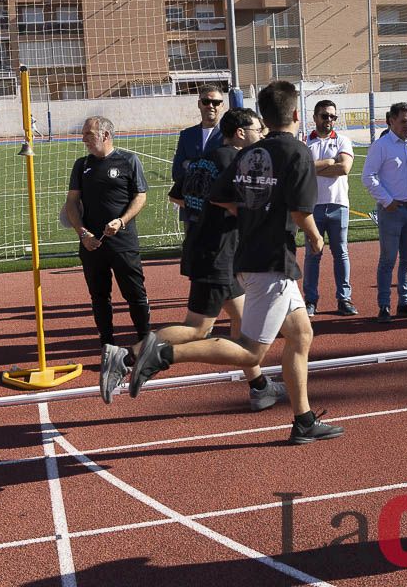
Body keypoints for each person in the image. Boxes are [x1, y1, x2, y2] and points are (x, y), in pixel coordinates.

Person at [129, 80, 344, 445]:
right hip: (271, 259)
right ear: (296, 114)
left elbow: (217, 196)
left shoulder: (248, 153)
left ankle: (303, 419)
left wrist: (250, 212)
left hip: (256, 257)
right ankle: (162, 355)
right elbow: (299, 211)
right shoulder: (298, 152)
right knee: (249, 348)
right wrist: (316, 236)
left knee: (301, 334)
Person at [101, 107, 287, 411]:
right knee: (198, 328)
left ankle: (259, 387)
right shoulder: (236, 161)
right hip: (217, 254)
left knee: (242, 323)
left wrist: (205, 211)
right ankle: (125, 356)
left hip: (207, 248)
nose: (262, 134)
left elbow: (177, 196)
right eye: (258, 129)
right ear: (241, 133)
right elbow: (243, 204)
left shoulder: (206, 158)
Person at [64, 116, 152, 348]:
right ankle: (107, 345)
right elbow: (71, 203)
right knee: (99, 297)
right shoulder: (81, 165)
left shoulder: (129, 160)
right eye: (83, 134)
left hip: (123, 243)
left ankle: (145, 342)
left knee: (135, 294)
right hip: (92, 245)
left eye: (88, 134)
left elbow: (140, 196)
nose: (83, 139)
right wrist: (83, 234)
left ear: (105, 135)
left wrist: (121, 222)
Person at [362, 102, 407, 322]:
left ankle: (405, 302)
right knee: (388, 260)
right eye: (403, 121)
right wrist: (387, 201)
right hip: (391, 211)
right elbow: (368, 176)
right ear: (391, 121)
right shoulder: (381, 146)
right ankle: (384, 305)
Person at [303, 99, 357, 317]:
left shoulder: (343, 140)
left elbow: (344, 168)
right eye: (325, 116)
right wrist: (328, 162)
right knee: (312, 255)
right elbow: (302, 169)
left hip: (338, 205)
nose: (329, 120)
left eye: (333, 116)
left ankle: (344, 299)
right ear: (315, 117)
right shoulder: (305, 141)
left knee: (341, 253)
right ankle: (310, 301)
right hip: (312, 206)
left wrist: (314, 167)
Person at [171, 85, 225, 227]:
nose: (211, 106)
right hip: (190, 210)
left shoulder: (228, 136)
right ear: (199, 104)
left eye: (216, 103)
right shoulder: (187, 135)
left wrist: (191, 165)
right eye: (206, 102)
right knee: (191, 248)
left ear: (222, 106)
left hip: (219, 210)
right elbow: (177, 172)